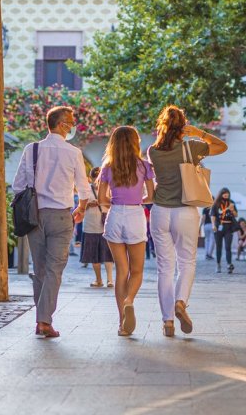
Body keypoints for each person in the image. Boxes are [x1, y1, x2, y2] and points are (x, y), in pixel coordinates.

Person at [147, 105, 227, 337]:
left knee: (165, 268)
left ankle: (167, 322)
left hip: (160, 211)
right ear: (183, 125)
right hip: (185, 211)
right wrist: (198, 133)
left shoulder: (153, 151)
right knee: (187, 263)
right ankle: (180, 302)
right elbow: (222, 147)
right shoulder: (191, 147)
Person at [12, 106, 90, 338]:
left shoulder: (32, 149)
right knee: (55, 270)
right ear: (63, 124)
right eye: (71, 121)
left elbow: (18, 185)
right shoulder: (73, 152)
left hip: (35, 215)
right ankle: (44, 321)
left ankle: (41, 320)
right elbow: (84, 188)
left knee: (41, 270)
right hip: (62, 215)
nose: (73, 125)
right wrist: (82, 208)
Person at [98, 126, 155, 337]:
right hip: (135, 216)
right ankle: (129, 300)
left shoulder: (108, 167)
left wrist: (114, 201)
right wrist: (139, 200)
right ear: (135, 142)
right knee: (137, 270)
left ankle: (123, 323)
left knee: (121, 271)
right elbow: (152, 196)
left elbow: (101, 199)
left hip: (115, 216)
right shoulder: (144, 166)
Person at [79, 167, 114, 288]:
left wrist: (102, 202)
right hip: (90, 226)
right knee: (94, 255)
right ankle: (98, 279)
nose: (96, 181)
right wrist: (89, 204)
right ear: (91, 178)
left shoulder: (109, 187)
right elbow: (80, 207)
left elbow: (114, 204)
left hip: (105, 224)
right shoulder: (86, 190)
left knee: (108, 254)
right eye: (95, 178)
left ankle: (110, 280)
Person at [212, 187, 238, 273]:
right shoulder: (216, 203)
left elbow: (236, 215)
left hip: (228, 227)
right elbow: (213, 215)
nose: (226, 195)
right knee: (218, 247)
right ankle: (218, 264)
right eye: (224, 193)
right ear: (221, 194)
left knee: (228, 247)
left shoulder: (231, 203)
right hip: (218, 226)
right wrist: (213, 225)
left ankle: (229, 264)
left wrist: (232, 209)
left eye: (227, 193)